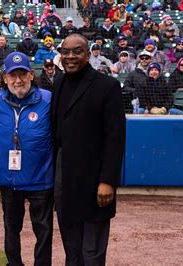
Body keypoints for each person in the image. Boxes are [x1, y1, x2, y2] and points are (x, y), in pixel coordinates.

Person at [51, 34, 125, 265]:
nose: (70, 56)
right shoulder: (59, 82)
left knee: (92, 253)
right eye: (65, 51)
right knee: (72, 251)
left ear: (88, 54)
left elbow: (115, 137)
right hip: (66, 178)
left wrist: (108, 181)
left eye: (77, 51)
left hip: (95, 180)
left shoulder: (108, 86)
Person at [0, 51, 54, 266]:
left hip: (41, 179)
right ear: (5, 77)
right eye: (12, 75)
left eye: (22, 74)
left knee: (43, 230)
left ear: (31, 75)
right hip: (9, 179)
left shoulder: (47, 99)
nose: (18, 80)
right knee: (11, 228)